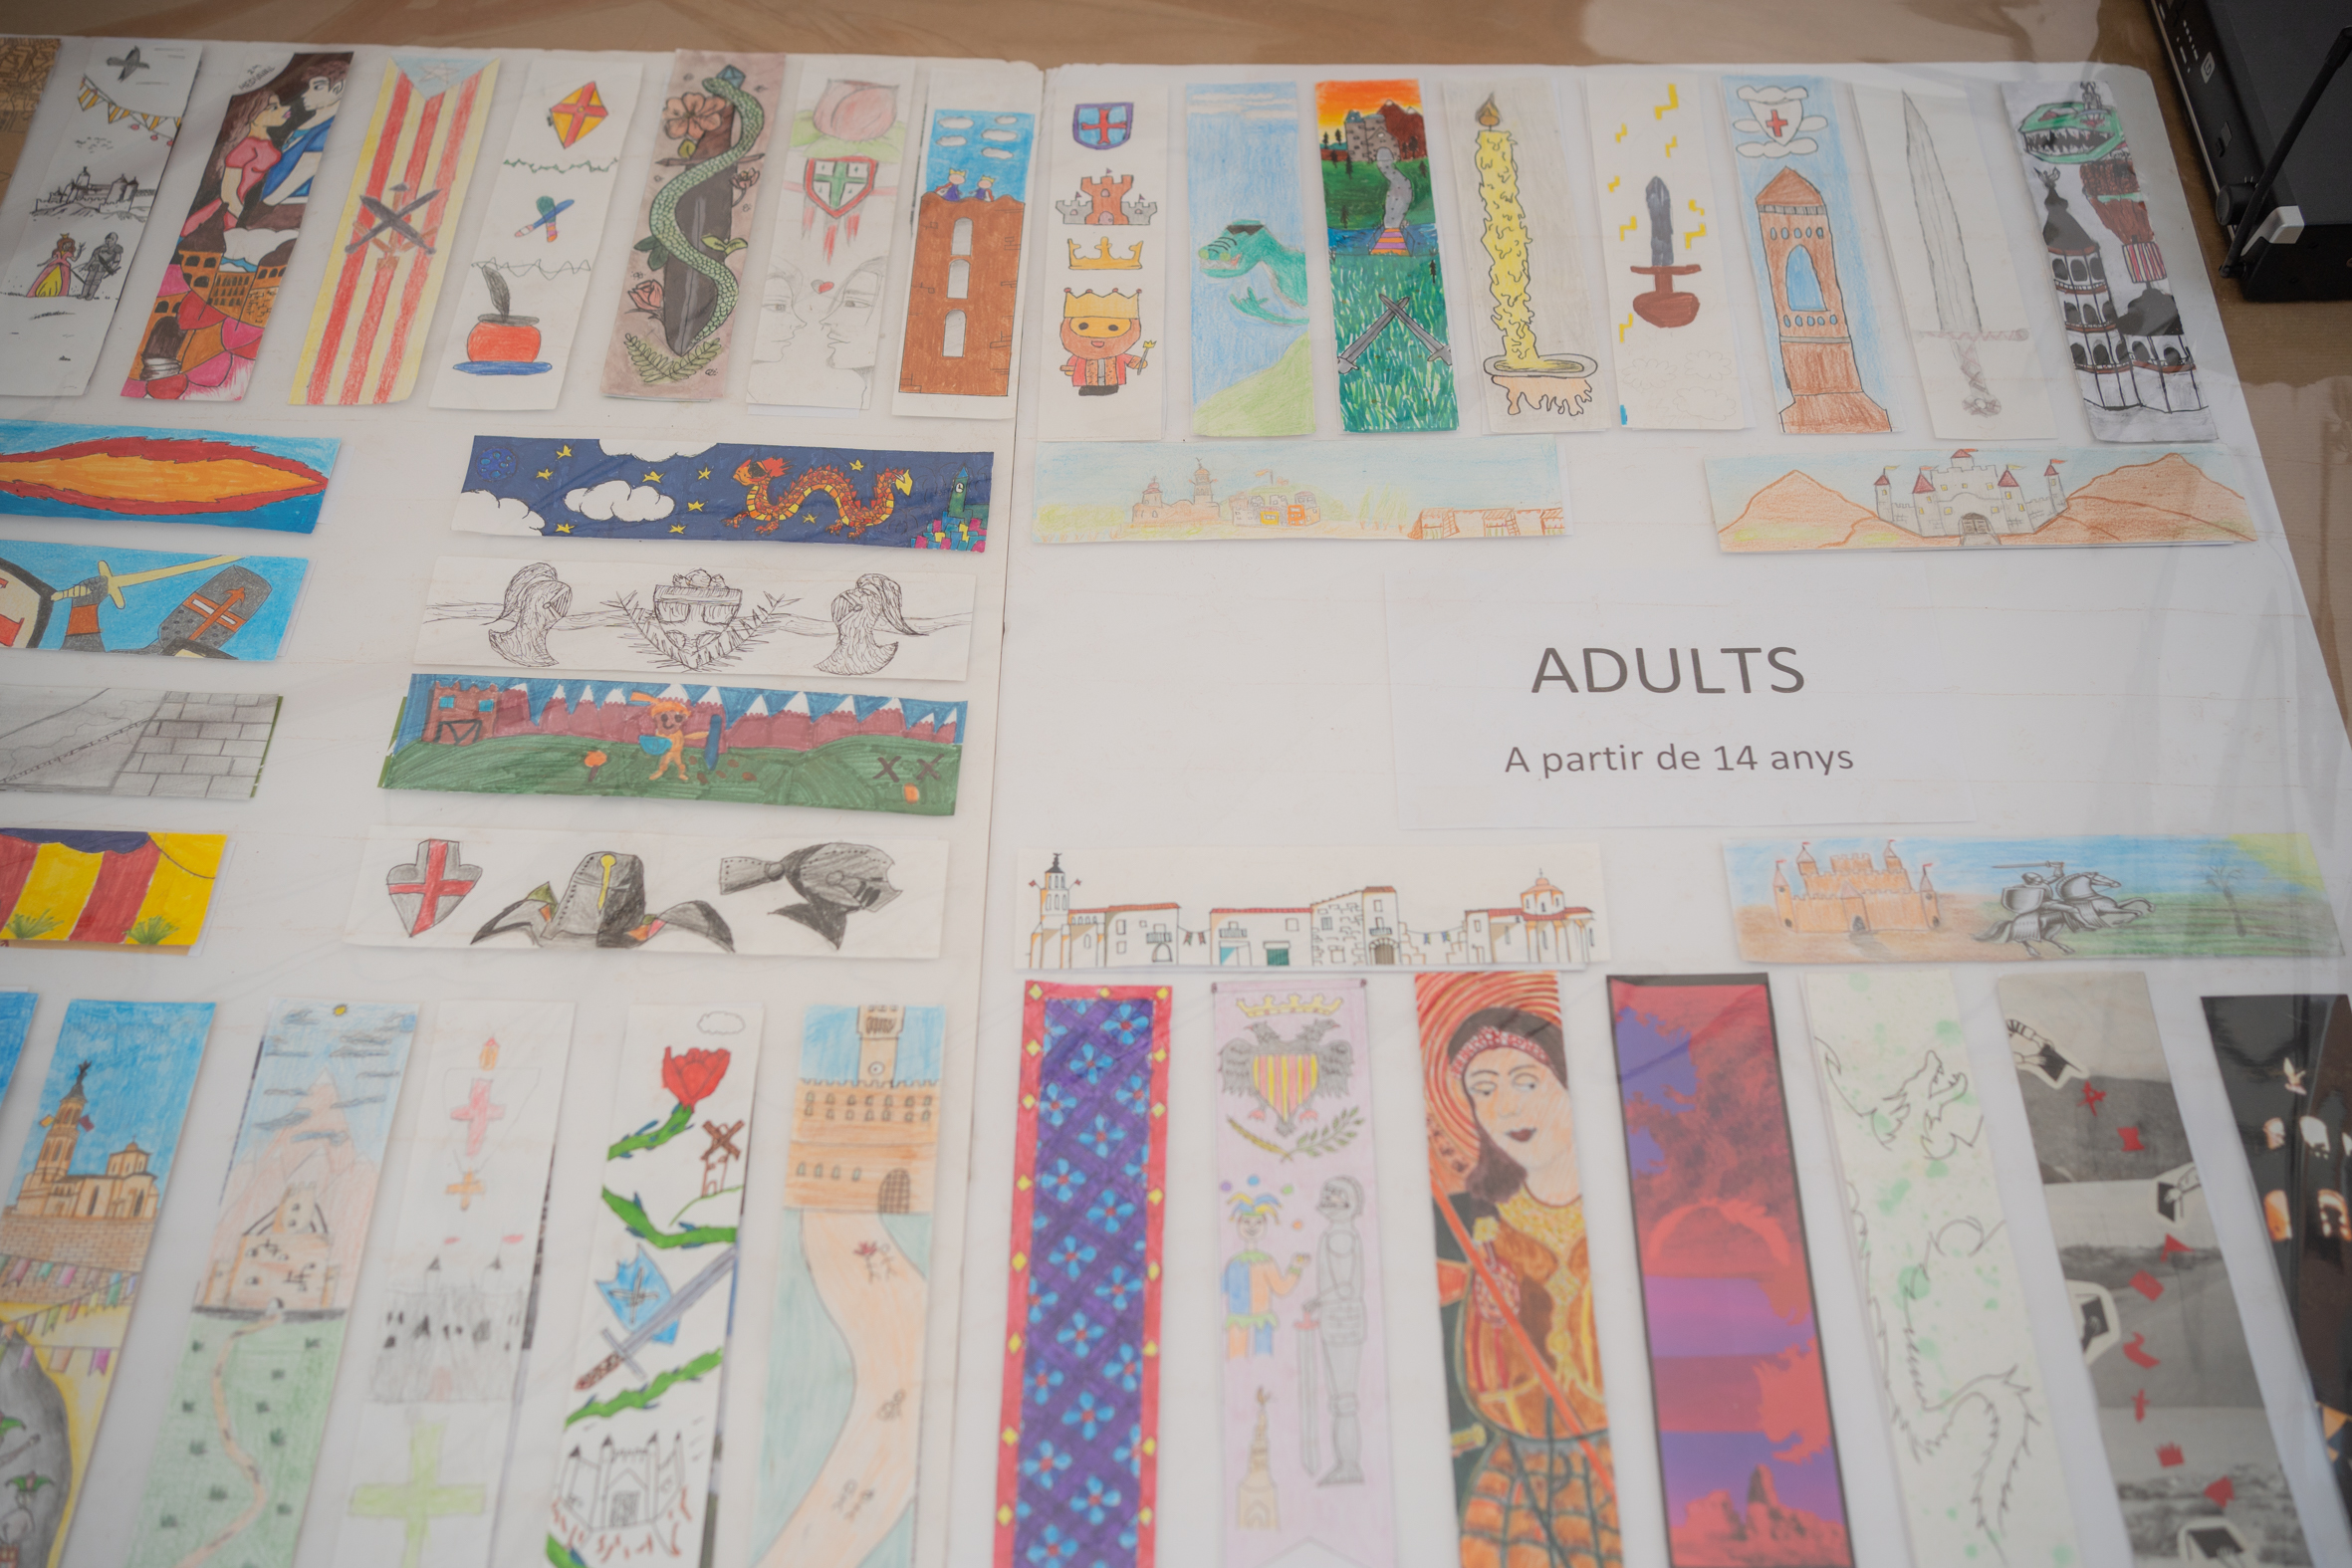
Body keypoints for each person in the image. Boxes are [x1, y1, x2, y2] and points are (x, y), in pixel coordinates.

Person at [1431, 1008, 1618, 1568]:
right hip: (1516, 1486)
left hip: (1619, 1470)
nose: (1505, 1107)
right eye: (1484, 1090)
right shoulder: (1469, 1228)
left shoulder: (1622, 1206)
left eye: (1525, 1082)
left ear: (1568, 1084)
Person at [181, 91, 290, 238]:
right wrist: (239, 218)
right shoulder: (244, 149)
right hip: (233, 212)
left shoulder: (267, 141)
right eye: (273, 108)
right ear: (253, 115)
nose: (283, 109)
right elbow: (228, 193)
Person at [1221, 1192, 1307, 1359]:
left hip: (1262, 1322)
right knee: (1236, 1358)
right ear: (1238, 1225)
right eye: (1246, 1222)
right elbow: (1220, 1287)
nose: (1252, 1227)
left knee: (1264, 1358)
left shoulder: (1266, 1261)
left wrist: (1295, 1269)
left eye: (1258, 1222)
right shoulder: (1233, 1263)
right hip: (1238, 1322)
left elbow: (1281, 1288)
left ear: (1265, 1226)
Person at [75, 233, 121, 300]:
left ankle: (90, 295)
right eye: (106, 241)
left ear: (114, 240)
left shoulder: (117, 250)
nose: (107, 243)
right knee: (88, 280)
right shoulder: (101, 248)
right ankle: (84, 294)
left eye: (109, 241)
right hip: (94, 266)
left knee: (96, 282)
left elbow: (116, 261)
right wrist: (87, 265)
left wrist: (111, 268)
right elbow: (94, 257)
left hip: (102, 268)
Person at [27, 233, 74, 298]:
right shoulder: (57, 252)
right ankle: (44, 292)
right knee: (48, 279)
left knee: (61, 281)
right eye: (67, 244)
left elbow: (74, 259)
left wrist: (80, 251)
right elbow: (51, 259)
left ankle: (58, 293)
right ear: (62, 244)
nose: (68, 246)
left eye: (69, 245)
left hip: (64, 268)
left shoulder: (68, 253)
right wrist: (43, 263)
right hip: (55, 266)